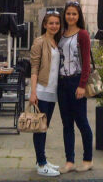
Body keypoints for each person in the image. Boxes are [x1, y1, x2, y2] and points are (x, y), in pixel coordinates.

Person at [58, 1, 93, 174]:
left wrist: (82, 85)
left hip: (76, 81)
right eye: (68, 13)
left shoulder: (83, 35)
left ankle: (87, 159)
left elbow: (86, 62)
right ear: (64, 15)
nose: (71, 16)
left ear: (79, 16)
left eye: (74, 14)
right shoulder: (61, 34)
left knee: (82, 122)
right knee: (66, 124)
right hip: (62, 83)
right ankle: (69, 160)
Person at [30, 11, 62, 177]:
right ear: (45, 24)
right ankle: (41, 164)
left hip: (52, 91)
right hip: (42, 91)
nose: (54, 26)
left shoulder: (56, 42)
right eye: (51, 23)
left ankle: (41, 159)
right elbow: (34, 68)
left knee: (45, 127)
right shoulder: (39, 41)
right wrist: (33, 91)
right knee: (40, 128)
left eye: (57, 23)